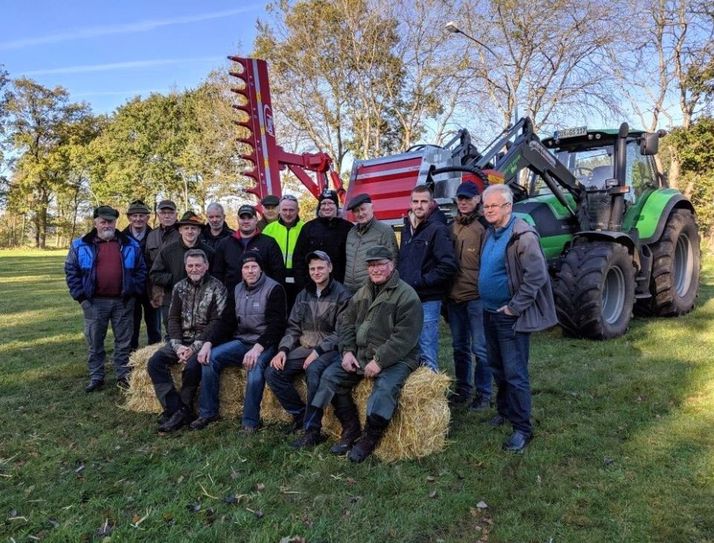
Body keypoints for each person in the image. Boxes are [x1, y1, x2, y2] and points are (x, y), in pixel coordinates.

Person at [298, 245, 423, 463]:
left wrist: (380, 360)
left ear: (391, 265)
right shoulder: (363, 292)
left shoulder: (406, 295)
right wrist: (347, 352)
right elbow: (346, 323)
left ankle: (370, 438)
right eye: (371, 265)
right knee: (330, 377)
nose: (376, 269)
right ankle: (351, 427)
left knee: (384, 389)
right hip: (362, 353)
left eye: (380, 264)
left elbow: (404, 337)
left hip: (397, 357)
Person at [479, 184, 557, 453]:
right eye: (486, 205)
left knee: (515, 373)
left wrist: (514, 307)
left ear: (508, 207)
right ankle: (505, 412)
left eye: (493, 205)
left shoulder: (522, 235)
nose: (488, 210)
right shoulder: (491, 232)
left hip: (508, 316)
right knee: (497, 368)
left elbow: (536, 275)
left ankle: (523, 428)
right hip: (489, 312)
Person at [190, 252, 287, 433]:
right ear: (241, 271)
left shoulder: (274, 289)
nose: (250, 271)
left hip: (266, 343)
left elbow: (277, 326)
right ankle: (208, 412)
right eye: (246, 267)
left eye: (253, 267)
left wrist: (258, 348)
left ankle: (250, 422)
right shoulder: (237, 289)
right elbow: (226, 321)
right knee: (210, 359)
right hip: (243, 340)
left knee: (255, 368)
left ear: (260, 269)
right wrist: (208, 342)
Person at [265, 250, 350, 437]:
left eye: (320, 268)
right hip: (305, 347)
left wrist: (318, 351)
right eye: (313, 269)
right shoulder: (303, 295)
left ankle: (312, 430)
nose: (316, 272)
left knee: (314, 370)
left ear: (330, 268)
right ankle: (300, 414)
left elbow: (341, 333)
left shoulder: (342, 294)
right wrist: (283, 349)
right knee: (272, 371)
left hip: (330, 349)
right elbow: (293, 327)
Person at [65, 205, 146, 392]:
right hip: (94, 302)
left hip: (123, 301)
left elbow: (141, 270)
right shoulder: (80, 245)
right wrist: (81, 297)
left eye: (110, 221)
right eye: (103, 221)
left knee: (124, 342)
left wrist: (133, 292)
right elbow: (71, 271)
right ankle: (96, 376)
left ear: (116, 222)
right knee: (95, 342)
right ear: (95, 222)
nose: (106, 225)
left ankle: (123, 374)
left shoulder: (130, 244)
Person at [147, 249, 228, 432]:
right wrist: (177, 345)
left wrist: (194, 347)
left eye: (198, 265)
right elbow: (173, 318)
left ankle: (181, 410)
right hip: (180, 340)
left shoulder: (218, 288)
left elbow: (217, 322)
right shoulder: (179, 287)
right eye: (190, 266)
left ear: (206, 266)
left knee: (192, 366)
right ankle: (176, 409)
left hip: (204, 341)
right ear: (185, 267)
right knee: (155, 362)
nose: (194, 269)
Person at [398, 185, 457, 372]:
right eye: (415, 201)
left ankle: (433, 397)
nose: (419, 205)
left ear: (431, 203)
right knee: (411, 347)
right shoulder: (408, 227)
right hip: (409, 299)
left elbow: (448, 265)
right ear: (410, 203)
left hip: (428, 299)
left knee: (427, 348)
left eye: (424, 201)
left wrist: (421, 281)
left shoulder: (437, 229)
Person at [447, 181, 492, 409]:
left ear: (477, 200)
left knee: (481, 348)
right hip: (454, 297)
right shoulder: (450, 226)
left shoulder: (483, 227)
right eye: (460, 198)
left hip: (476, 297)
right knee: (459, 346)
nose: (463, 202)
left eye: (468, 198)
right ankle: (463, 389)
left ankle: (483, 393)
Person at [150, 211, 215, 332]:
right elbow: (154, 274)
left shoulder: (209, 252)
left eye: (193, 228)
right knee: (174, 337)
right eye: (186, 228)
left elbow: (215, 276)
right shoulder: (167, 251)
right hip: (173, 302)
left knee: (199, 337)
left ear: (199, 231)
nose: (190, 231)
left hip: (201, 303)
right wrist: (174, 279)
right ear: (180, 230)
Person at [212, 204, 286, 293]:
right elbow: (217, 273)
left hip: (262, 298)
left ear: (256, 219)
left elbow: (278, 273)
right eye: (242, 218)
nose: (246, 221)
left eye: (249, 218)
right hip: (232, 298)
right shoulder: (224, 244)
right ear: (238, 220)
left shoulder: (268, 243)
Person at [292, 189, 353, 292]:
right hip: (313, 287)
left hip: (340, 288)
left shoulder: (348, 228)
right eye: (323, 203)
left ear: (336, 206)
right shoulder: (308, 228)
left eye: (330, 203)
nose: (326, 207)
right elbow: (298, 258)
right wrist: (304, 285)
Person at [122, 199, 161, 350]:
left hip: (152, 287)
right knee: (132, 326)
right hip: (131, 287)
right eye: (134, 215)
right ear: (129, 217)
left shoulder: (155, 235)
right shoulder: (121, 238)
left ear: (148, 217)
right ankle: (133, 358)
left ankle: (155, 357)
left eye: (142, 215)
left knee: (155, 326)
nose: (138, 219)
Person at [343, 193, 399, 294]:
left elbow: (393, 262)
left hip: (372, 291)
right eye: (356, 211)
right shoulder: (351, 233)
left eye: (363, 209)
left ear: (372, 208)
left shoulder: (384, 231)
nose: (360, 214)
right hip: (349, 291)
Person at [262, 194, 304, 307]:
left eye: (291, 210)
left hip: (299, 277)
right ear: (279, 210)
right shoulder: (269, 229)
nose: (288, 213)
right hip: (274, 277)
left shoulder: (305, 228)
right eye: (284, 210)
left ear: (298, 210)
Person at [145, 200, 180, 310]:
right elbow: (147, 266)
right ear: (158, 215)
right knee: (162, 324)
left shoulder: (183, 233)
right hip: (157, 290)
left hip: (178, 288)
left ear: (176, 215)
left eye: (170, 213)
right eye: (163, 213)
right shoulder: (151, 235)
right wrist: (150, 294)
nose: (167, 216)